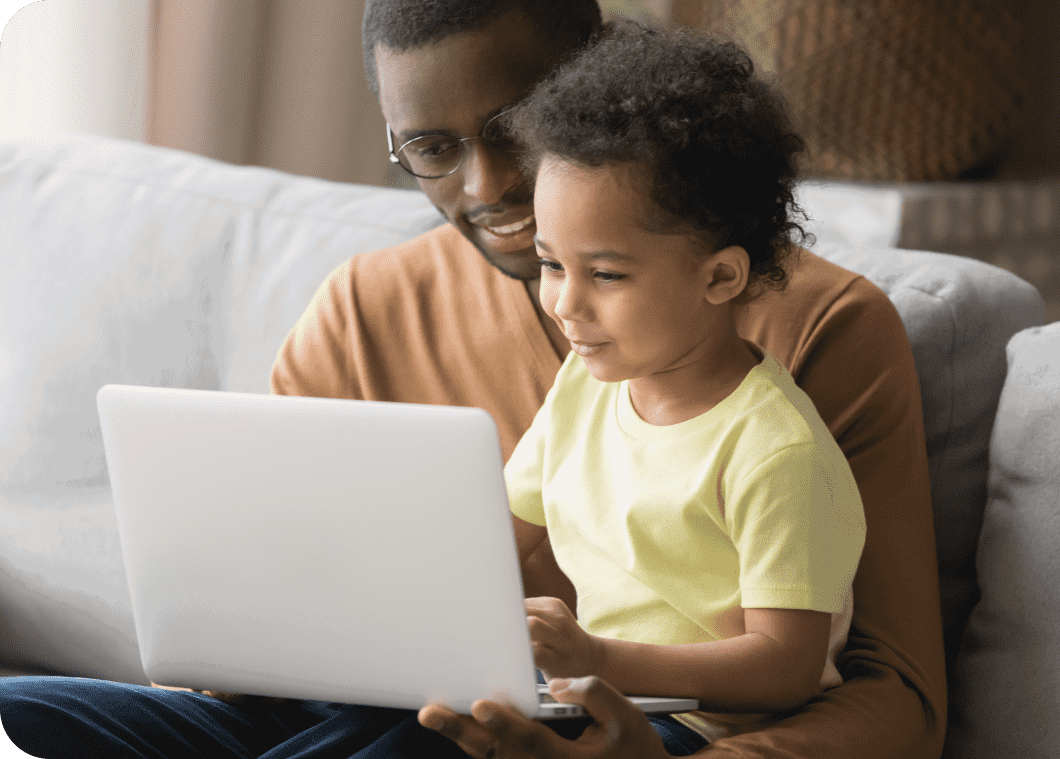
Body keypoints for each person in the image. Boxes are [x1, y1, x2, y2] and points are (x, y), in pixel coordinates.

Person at [0, 2, 946, 758]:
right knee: (32, 707)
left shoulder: (822, 336)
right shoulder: (369, 312)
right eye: (432, 150)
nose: (488, 186)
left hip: (618, 726)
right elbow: (355, 580)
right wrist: (244, 647)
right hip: (414, 703)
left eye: (516, 128)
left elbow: (893, 695)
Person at [497, 24, 866, 755]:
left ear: (721, 276)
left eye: (604, 274)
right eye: (549, 264)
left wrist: (598, 659)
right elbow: (491, 541)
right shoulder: (584, 384)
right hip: (576, 696)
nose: (565, 303)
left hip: (686, 723)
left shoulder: (774, 451)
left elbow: (787, 664)